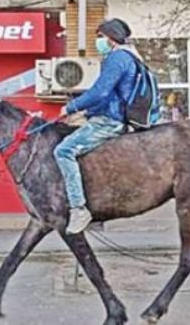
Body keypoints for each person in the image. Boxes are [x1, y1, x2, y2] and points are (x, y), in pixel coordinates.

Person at [55, 18, 141, 234]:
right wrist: (86, 112)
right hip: (108, 115)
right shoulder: (126, 56)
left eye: (101, 37)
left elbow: (100, 92)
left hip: (109, 121)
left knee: (64, 150)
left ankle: (79, 208)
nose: (98, 42)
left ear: (111, 38)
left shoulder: (118, 57)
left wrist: (71, 107)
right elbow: (109, 96)